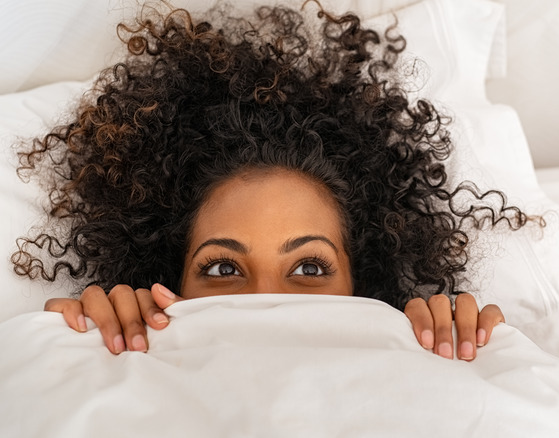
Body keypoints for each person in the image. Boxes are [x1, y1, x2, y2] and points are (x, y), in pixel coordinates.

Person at [12, 2, 530, 361]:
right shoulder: (117, 361)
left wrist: (465, 355)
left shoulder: (432, 361)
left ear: (362, 285)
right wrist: (72, 348)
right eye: (222, 268)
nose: (265, 301)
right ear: (171, 285)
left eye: (309, 267)